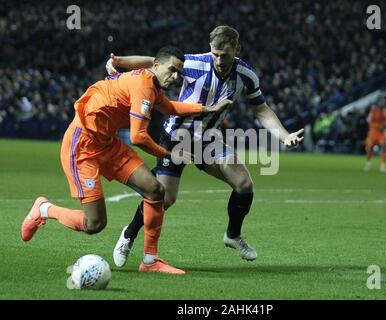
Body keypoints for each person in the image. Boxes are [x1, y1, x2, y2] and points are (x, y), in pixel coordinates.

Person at [21, 46, 232, 275]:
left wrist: (206, 108)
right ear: (155, 65)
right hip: (82, 146)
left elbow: (169, 107)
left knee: (155, 190)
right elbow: (138, 138)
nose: (174, 77)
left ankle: (150, 261)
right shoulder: (142, 86)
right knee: (95, 224)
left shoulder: (151, 86)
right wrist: (169, 155)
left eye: (178, 73)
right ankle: (44, 209)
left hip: (107, 143)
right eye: (171, 70)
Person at [107, 26, 304, 268]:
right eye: (215, 54)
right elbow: (153, 61)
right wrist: (118, 61)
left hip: (209, 139)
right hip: (177, 136)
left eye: (225, 55)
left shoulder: (246, 75)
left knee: (244, 184)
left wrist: (284, 137)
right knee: (165, 198)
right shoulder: (195, 63)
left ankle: (233, 235)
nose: (219, 60)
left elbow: (261, 109)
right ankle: (129, 234)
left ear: (237, 49)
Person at [363, 98, 386, 173]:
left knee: (384, 147)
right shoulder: (373, 111)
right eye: (381, 102)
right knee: (370, 148)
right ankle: (368, 163)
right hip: (373, 132)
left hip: (383, 132)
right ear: (378, 102)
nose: (382, 103)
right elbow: (369, 120)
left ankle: (382, 165)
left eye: (383, 102)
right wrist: (377, 126)